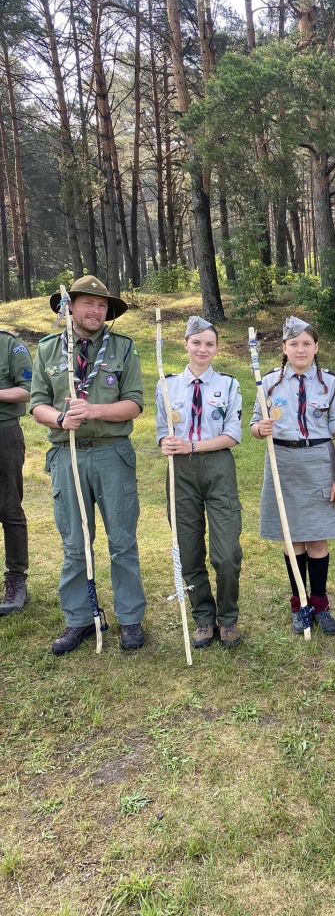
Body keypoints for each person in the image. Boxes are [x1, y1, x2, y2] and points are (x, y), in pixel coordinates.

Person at [30, 276, 146, 655]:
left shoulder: (123, 348)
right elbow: (37, 404)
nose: (96, 311)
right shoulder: (49, 350)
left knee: (122, 542)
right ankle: (79, 619)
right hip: (68, 454)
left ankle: (130, 619)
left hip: (112, 453)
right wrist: (60, 419)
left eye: (102, 305)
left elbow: (134, 403)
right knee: (75, 543)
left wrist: (94, 409)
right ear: (69, 307)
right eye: (88, 303)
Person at [251, 316, 335, 634]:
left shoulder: (331, 383)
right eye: (294, 343)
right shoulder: (267, 383)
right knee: (292, 539)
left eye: (306, 343)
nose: (300, 349)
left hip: (319, 462)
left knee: (318, 539)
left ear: (316, 347)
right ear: (284, 348)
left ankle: (320, 605)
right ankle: (300, 605)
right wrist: (259, 428)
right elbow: (255, 423)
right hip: (282, 463)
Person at [156, 316, 243, 649]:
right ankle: (204, 618)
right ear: (186, 344)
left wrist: (192, 445)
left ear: (217, 349)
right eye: (197, 342)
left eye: (209, 344)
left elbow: (232, 435)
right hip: (180, 472)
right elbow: (163, 430)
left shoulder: (229, 385)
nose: (203, 349)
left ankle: (228, 618)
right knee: (189, 550)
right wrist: (167, 441)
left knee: (227, 553)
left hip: (217, 466)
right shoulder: (167, 385)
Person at [0, 329, 33, 616]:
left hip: (3, 433)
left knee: (9, 508)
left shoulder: (9, 343)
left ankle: (16, 581)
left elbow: (27, 389)